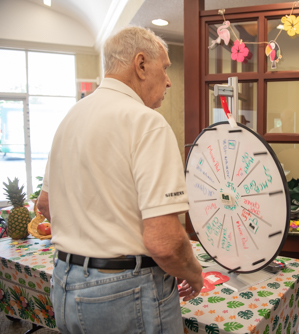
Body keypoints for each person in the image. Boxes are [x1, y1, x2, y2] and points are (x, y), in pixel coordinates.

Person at [37, 26, 203, 334]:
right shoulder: (147, 122)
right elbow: (165, 244)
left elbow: (45, 204)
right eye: (164, 69)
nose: (168, 80)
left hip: (64, 283)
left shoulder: (70, 118)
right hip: (126, 292)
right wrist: (194, 274)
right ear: (141, 65)